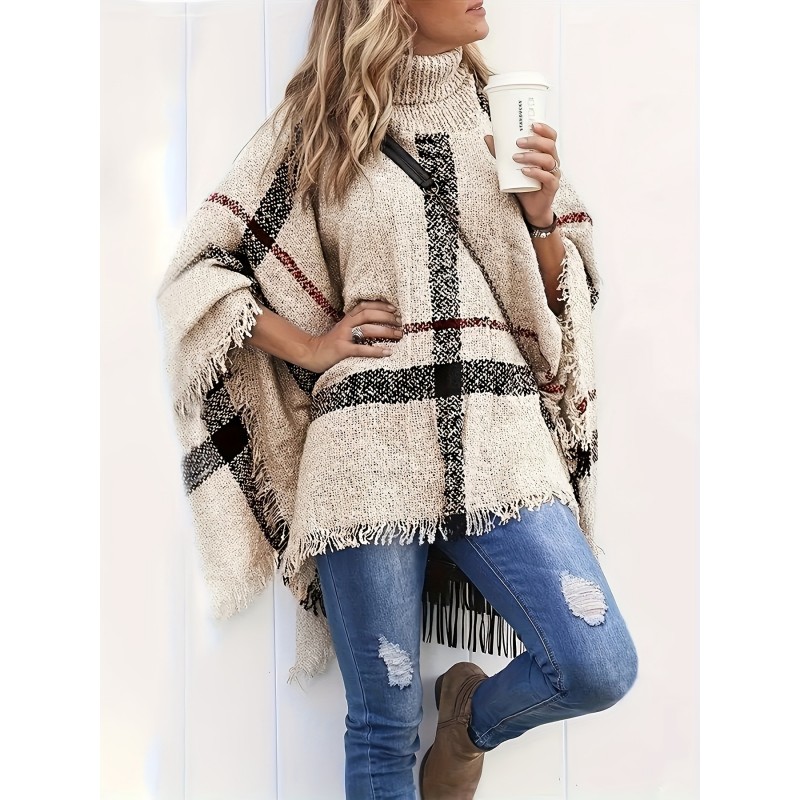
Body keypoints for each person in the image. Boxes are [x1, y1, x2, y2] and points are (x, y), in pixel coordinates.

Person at [157, 1, 639, 798]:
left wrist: (543, 218)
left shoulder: (501, 113)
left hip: (499, 434)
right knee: (381, 722)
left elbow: (568, 296)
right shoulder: (317, 124)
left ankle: (467, 719)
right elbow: (201, 268)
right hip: (364, 455)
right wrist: (311, 346)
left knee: (597, 663)